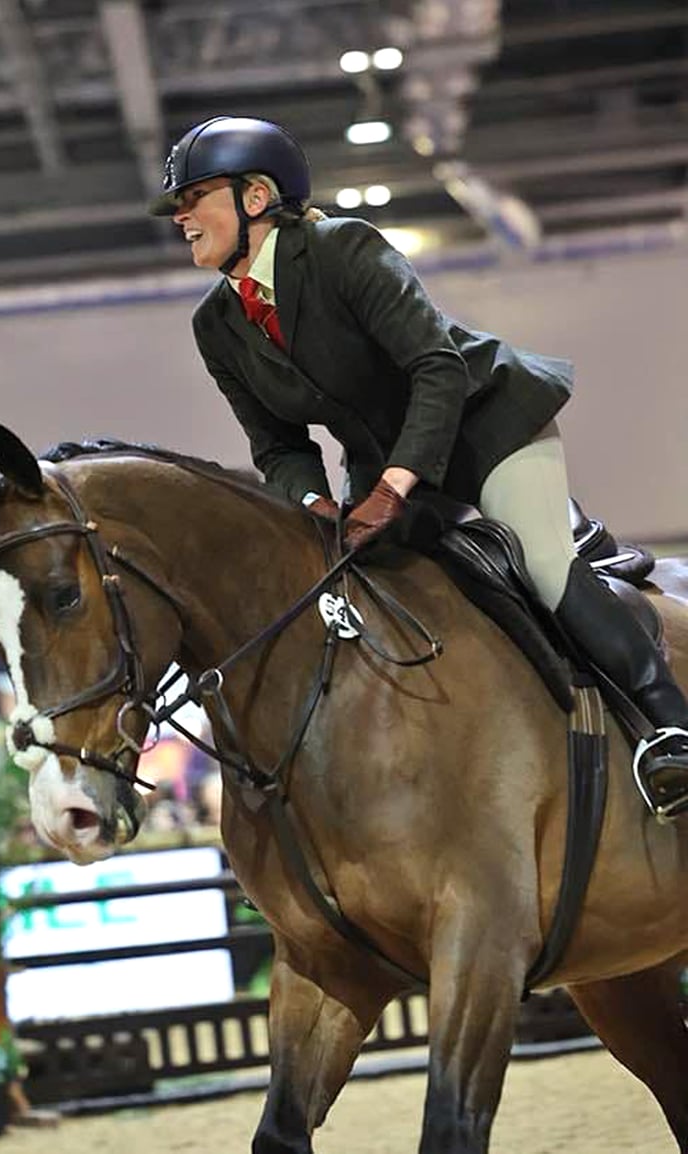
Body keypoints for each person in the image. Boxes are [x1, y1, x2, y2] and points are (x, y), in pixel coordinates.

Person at [149, 114, 688, 816]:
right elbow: (278, 443)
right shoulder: (215, 326)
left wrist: (394, 488)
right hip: (378, 466)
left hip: (484, 427)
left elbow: (435, 368)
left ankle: (669, 727)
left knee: (543, 566)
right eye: (178, 206)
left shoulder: (342, 249)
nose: (181, 215)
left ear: (256, 197)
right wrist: (317, 508)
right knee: (348, 597)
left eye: (195, 197)